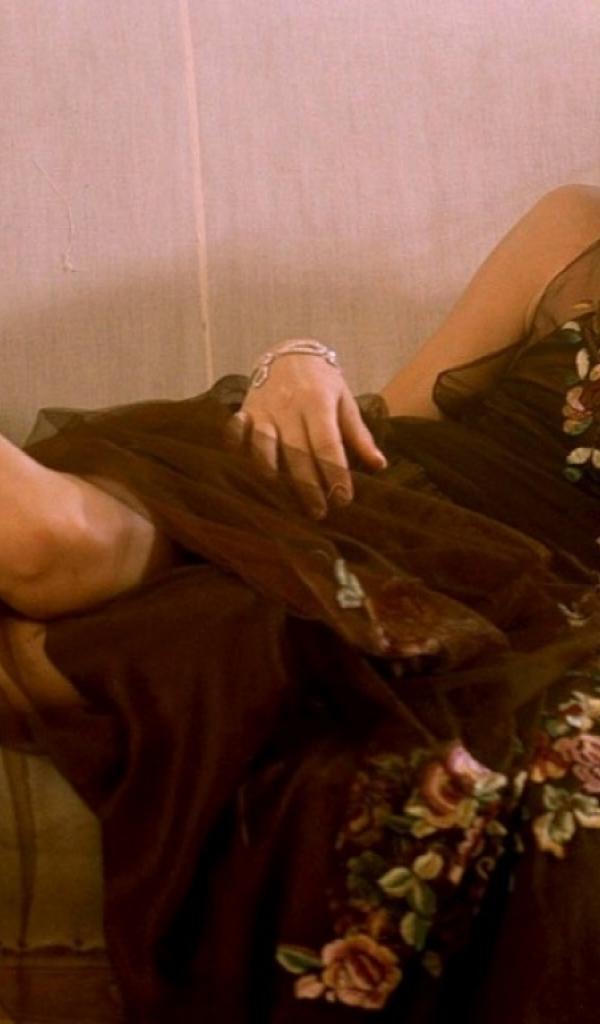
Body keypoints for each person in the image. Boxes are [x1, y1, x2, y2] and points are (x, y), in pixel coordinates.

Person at [2, 183, 600, 1022]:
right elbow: (397, 413)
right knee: (62, 542)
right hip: (386, 506)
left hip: (521, 613)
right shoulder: (580, 226)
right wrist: (300, 363)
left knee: (204, 642)